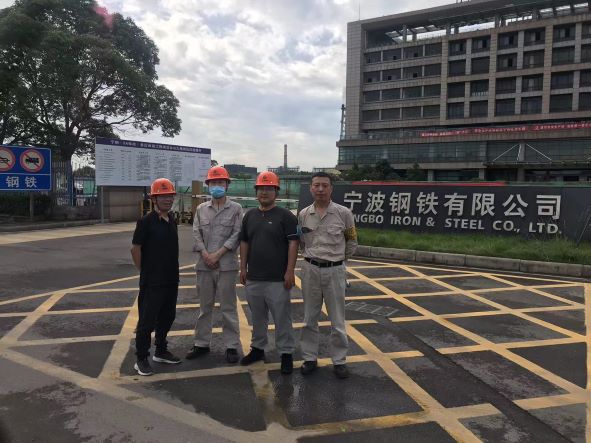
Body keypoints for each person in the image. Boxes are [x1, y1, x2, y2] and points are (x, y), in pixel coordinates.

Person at [298, 172, 357, 379]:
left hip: (335, 271)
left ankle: (339, 361)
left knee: (337, 320)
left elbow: (352, 242)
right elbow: (302, 242)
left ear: (331, 189)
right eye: (316, 185)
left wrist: (338, 261)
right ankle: (309, 358)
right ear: (311, 188)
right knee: (309, 318)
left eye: (325, 185)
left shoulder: (344, 213)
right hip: (310, 270)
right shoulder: (304, 214)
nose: (320, 189)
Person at [239, 171, 299, 374]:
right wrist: (243, 268)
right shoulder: (250, 216)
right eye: (261, 188)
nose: (264, 192)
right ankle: (257, 349)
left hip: (278, 279)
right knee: (257, 317)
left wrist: (290, 271)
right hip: (254, 277)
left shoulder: (286, 216)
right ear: (256, 192)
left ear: (276, 192)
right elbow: (244, 242)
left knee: (282, 318)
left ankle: (286, 353)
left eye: (269, 188)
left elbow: (293, 243)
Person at [186, 166, 242, 363]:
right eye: (213, 183)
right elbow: (196, 233)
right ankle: (201, 343)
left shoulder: (236, 208)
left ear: (227, 185)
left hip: (226, 266)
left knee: (228, 307)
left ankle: (232, 345)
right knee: (205, 307)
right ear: (208, 185)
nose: (217, 186)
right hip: (204, 265)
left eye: (221, 182)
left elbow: (237, 234)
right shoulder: (201, 209)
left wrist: (217, 255)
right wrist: (206, 255)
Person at [131, 178, 181, 376]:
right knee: (147, 320)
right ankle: (141, 358)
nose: (168, 199)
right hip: (152, 281)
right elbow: (135, 249)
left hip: (171, 278)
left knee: (168, 316)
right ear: (154, 199)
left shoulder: (172, 220)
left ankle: (161, 350)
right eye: (163, 196)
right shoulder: (145, 222)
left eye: (170, 196)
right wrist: (144, 270)